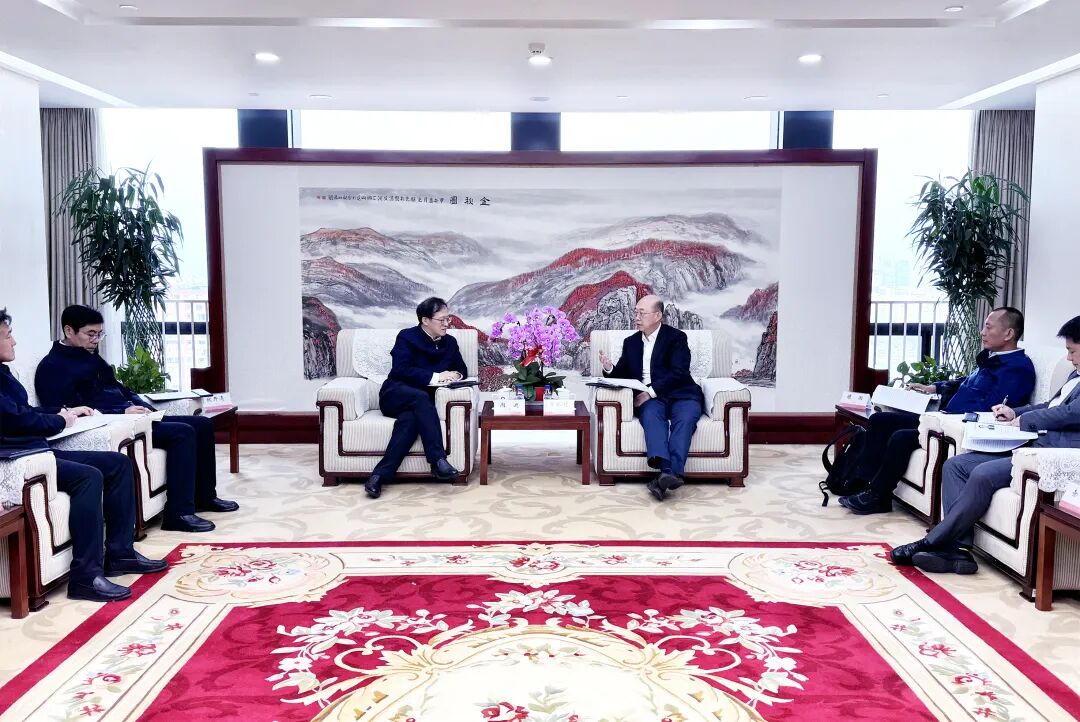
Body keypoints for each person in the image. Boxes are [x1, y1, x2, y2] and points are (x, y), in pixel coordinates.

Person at [891, 315, 1080, 574]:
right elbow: (1051, 406)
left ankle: (932, 542)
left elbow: (1071, 413)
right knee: (955, 466)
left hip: (1048, 454)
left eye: (1072, 351)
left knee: (981, 473)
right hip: (1030, 446)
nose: (1069, 358)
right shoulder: (1074, 375)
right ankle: (958, 551)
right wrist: (1015, 412)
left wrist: (1026, 420)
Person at [0, 308, 167, 602]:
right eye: (8, 335)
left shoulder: (3, 373)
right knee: (88, 477)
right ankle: (86, 577)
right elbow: (15, 421)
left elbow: (23, 411)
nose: (14, 341)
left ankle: (120, 553)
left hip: (35, 450)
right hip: (18, 458)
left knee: (117, 464)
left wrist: (63, 411)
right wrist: (59, 421)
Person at [35, 305, 238, 534]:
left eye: (99, 334)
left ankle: (205, 496)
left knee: (203, 424)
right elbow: (69, 408)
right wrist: (122, 412)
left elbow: (118, 388)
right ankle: (178, 513)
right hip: (112, 423)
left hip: (132, 416)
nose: (95, 340)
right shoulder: (51, 367)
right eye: (90, 334)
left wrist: (142, 405)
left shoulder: (90, 356)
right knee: (182, 433)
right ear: (68, 331)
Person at [840, 307, 1036, 515]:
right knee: (880, 420)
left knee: (900, 437)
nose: (982, 332)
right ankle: (862, 483)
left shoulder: (1018, 368)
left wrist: (948, 413)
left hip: (957, 427)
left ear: (1008, 334)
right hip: (941, 418)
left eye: (988, 327)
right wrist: (933, 388)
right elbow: (966, 382)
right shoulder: (992, 357)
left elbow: (993, 407)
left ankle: (878, 497)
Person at [600, 294, 703, 502]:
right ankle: (668, 472)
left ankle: (665, 475)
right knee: (650, 416)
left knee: (685, 419)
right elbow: (623, 375)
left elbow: (679, 372)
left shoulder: (676, 338)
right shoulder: (631, 342)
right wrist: (609, 368)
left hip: (681, 393)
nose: (636, 317)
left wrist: (650, 392)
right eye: (635, 312)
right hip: (652, 400)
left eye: (642, 313)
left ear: (657, 316)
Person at [364, 297, 468, 499]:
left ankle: (377, 477)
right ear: (425, 320)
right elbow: (400, 369)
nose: (447, 324)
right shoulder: (407, 337)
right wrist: (437, 377)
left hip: (420, 406)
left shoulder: (450, 342)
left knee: (410, 422)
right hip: (395, 395)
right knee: (420, 397)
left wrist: (454, 375)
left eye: (448, 319)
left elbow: (462, 369)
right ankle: (437, 460)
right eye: (442, 320)